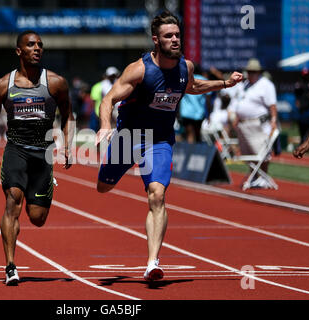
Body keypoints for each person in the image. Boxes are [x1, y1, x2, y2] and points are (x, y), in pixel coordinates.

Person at [95, 11, 243, 281]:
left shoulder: (185, 67)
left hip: (160, 140)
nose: (175, 39)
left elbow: (193, 86)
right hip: (128, 138)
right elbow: (109, 99)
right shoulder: (139, 70)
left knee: (157, 195)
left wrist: (225, 83)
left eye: (177, 35)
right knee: (103, 187)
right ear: (156, 40)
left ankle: (152, 262)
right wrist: (105, 125)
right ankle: (109, 173)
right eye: (168, 36)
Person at [0, 30, 74, 286]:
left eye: (40, 45)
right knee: (13, 200)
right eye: (31, 45)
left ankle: (43, 191)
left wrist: (68, 145)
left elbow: (68, 114)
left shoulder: (56, 83)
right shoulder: (2, 85)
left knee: (37, 218)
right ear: (19, 51)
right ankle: (10, 265)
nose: (37, 49)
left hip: (43, 153)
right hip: (16, 149)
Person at [231, 58, 279, 188]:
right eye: (249, 71)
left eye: (253, 72)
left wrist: (274, 121)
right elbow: (238, 103)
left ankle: (263, 177)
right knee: (247, 153)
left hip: (259, 124)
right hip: (243, 124)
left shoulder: (266, 85)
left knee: (262, 152)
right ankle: (255, 176)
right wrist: (235, 118)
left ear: (259, 72)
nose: (251, 74)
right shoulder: (244, 85)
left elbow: (273, 106)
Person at [178, 63, 212, 143]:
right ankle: (197, 153)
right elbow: (208, 99)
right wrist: (209, 114)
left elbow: (179, 96)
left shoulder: (185, 80)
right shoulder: (204, 80)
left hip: (186, 113)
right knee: (197, 135)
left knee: (189, 134)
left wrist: (177, 113)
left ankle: (190, 153)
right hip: (198, 113)